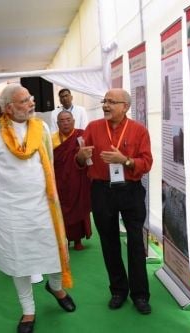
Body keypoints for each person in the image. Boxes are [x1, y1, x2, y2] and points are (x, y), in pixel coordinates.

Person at [0, 84, 76, 333]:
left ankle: (55, 287)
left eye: (31, 98)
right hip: (10, 211)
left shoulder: (41, 128)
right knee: (18, 262)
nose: (32, 103)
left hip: (43, 207)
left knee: (55, 254)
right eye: (25, 101)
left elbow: (50, 165)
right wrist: (9, 197)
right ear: (9, 107)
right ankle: (28, 311)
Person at [76, 88, 153, 315]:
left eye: (111, 102)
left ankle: (140, 295)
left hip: (130, 191)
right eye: (104, 101)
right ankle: (118, 291)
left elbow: (147, 163)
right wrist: (80, 157)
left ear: (125, 107)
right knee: (109, 243)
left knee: (136, 243)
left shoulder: (139, 130)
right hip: (101, 191)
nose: (106, 105)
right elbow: (80, 158)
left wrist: (126, 161)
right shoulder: (93, 128)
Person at [52, 111, 92, 250]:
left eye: (68, 119)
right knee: (60, 209)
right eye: (62, 120)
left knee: (79, 206)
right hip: (59, 180)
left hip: (78, 178)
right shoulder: (52, 139)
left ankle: (78, 240)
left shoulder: (81, 136)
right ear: (57, 124)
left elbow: (89, 158)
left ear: (74, 121)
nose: (65, 123)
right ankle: (64, 239)